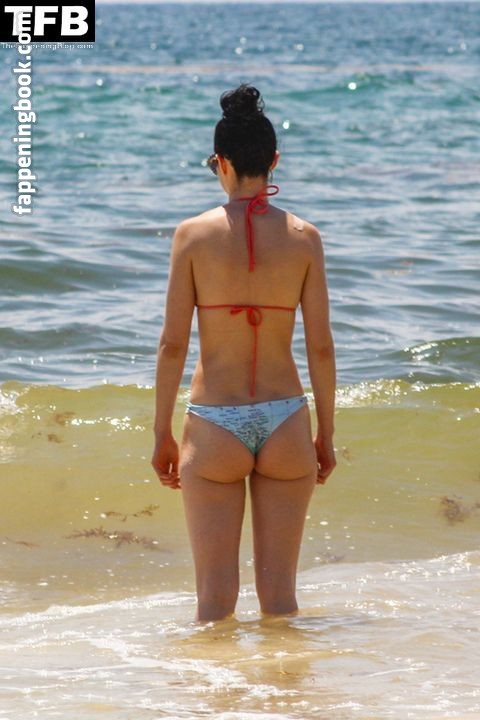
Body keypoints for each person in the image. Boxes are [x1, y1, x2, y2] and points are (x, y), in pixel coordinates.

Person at [151, 83, 336, 623]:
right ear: (273, 162)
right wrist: (326, 433)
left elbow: (172, 344)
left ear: (222, 163)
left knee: (214, 603)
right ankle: (284, 678)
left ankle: (221, 682)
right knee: (280, 601)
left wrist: (162, 433)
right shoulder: (305, 237)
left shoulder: (191, 236)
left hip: (215, 425)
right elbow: (321, 347)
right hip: (286, 420)